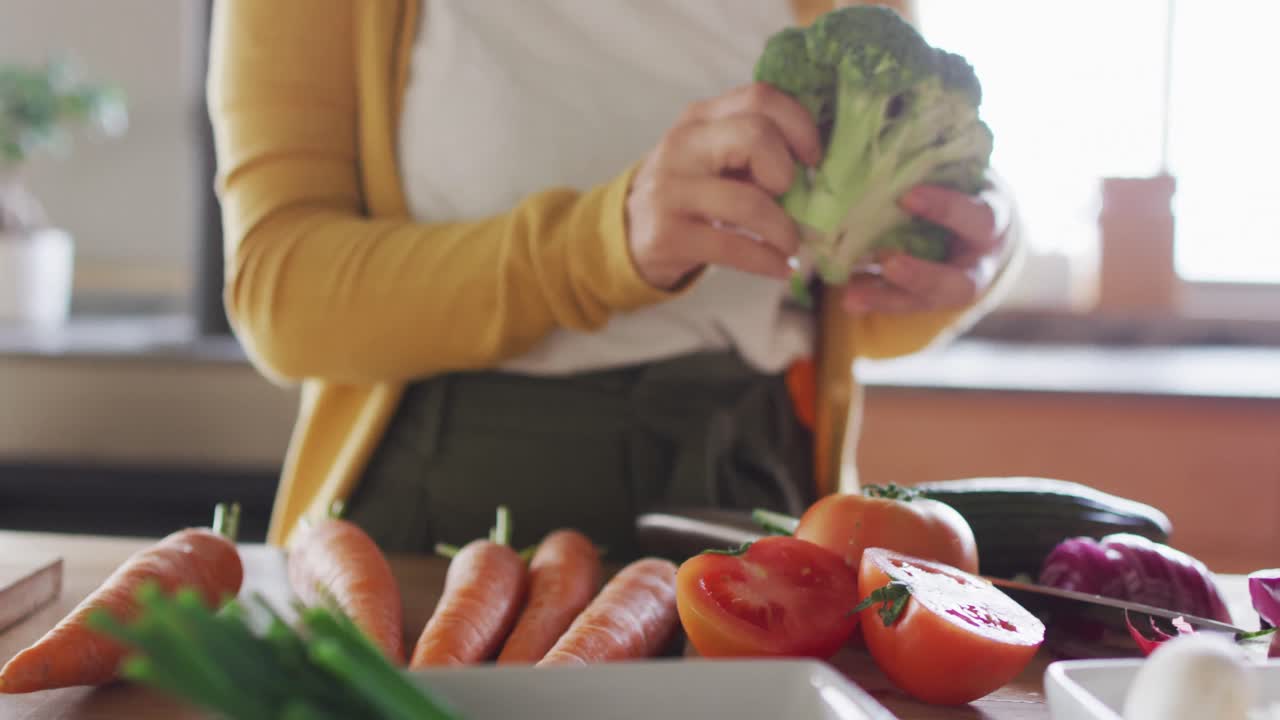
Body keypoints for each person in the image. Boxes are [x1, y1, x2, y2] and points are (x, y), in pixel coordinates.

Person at [207, 0, 1021, 558]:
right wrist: (604, 246)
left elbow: (849, 305)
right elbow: (280, 292)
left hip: (761, 488)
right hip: (439, 510)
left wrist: (970, 250)